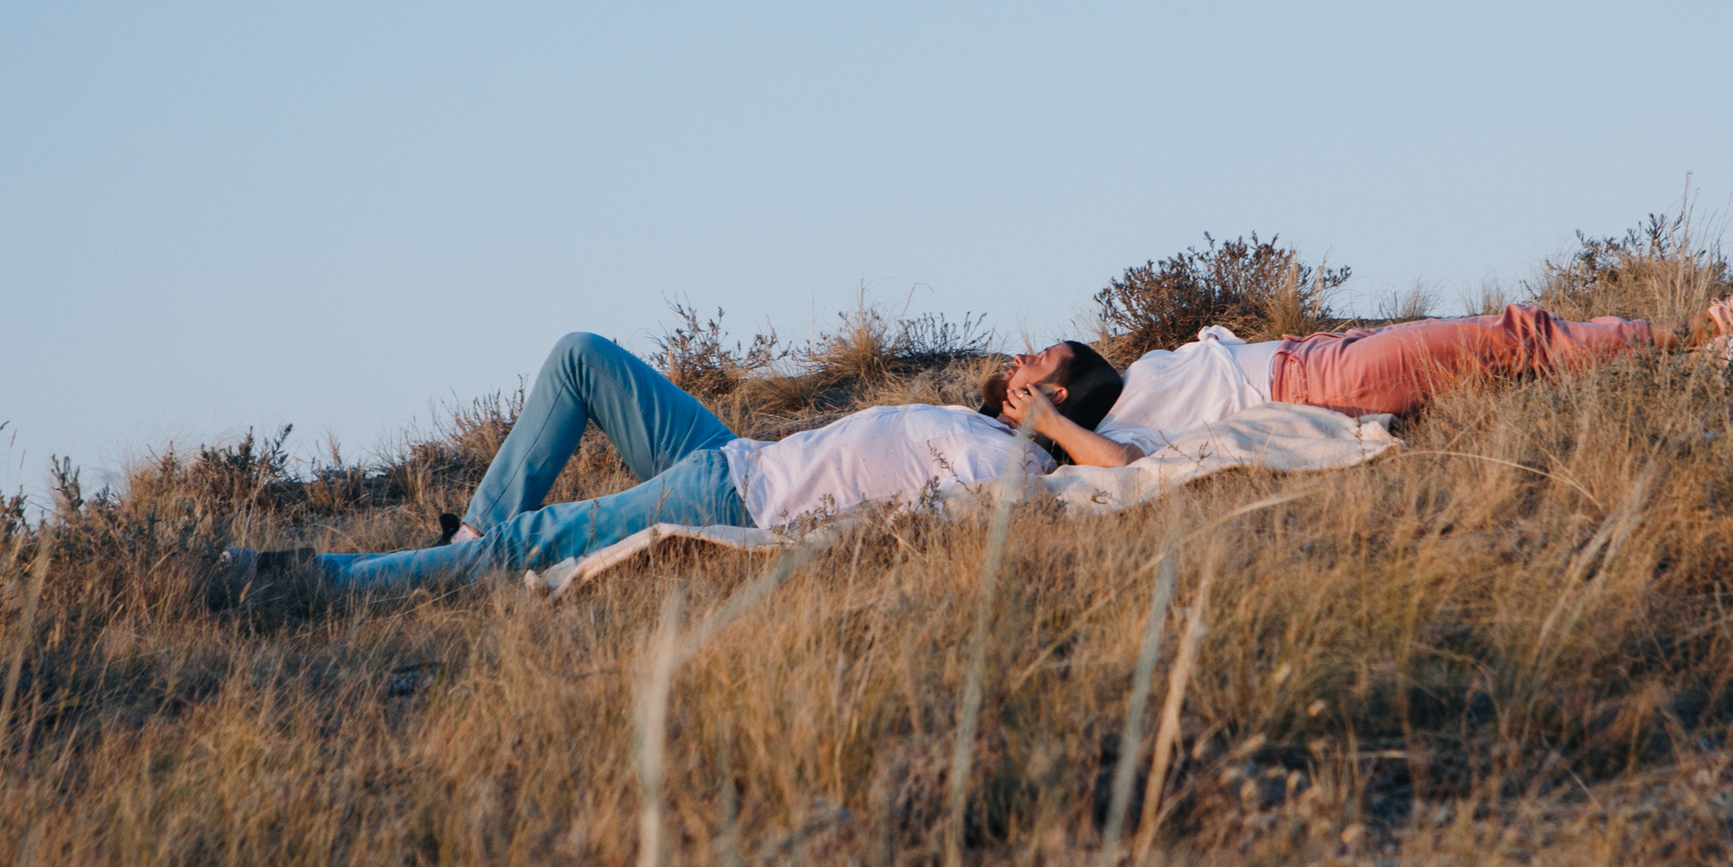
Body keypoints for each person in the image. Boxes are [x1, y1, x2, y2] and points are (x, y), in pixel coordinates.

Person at [216, 331, 1130, 601]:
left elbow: (1122, 469)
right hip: (736, 454)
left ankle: (315, 583)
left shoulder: (1009, 472)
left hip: (730, 495)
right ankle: (469, 535)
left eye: (1034, 364)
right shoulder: (966, 425)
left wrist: (1049, 427)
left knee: (530, 545)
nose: (1014, 359)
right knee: (581, 357)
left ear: (1046, 400)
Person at [1095, 267, 1733, 458]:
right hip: (1313, 383)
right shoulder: (1104, 431)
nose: (1027, 355)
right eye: (1022, 372)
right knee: (1512, 336)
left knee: (1504, 362)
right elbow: (1108, 469)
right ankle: (1712, 327)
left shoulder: (1128, 379)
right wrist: (1031, 418)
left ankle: (1710, 361)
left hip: (1310, 354)